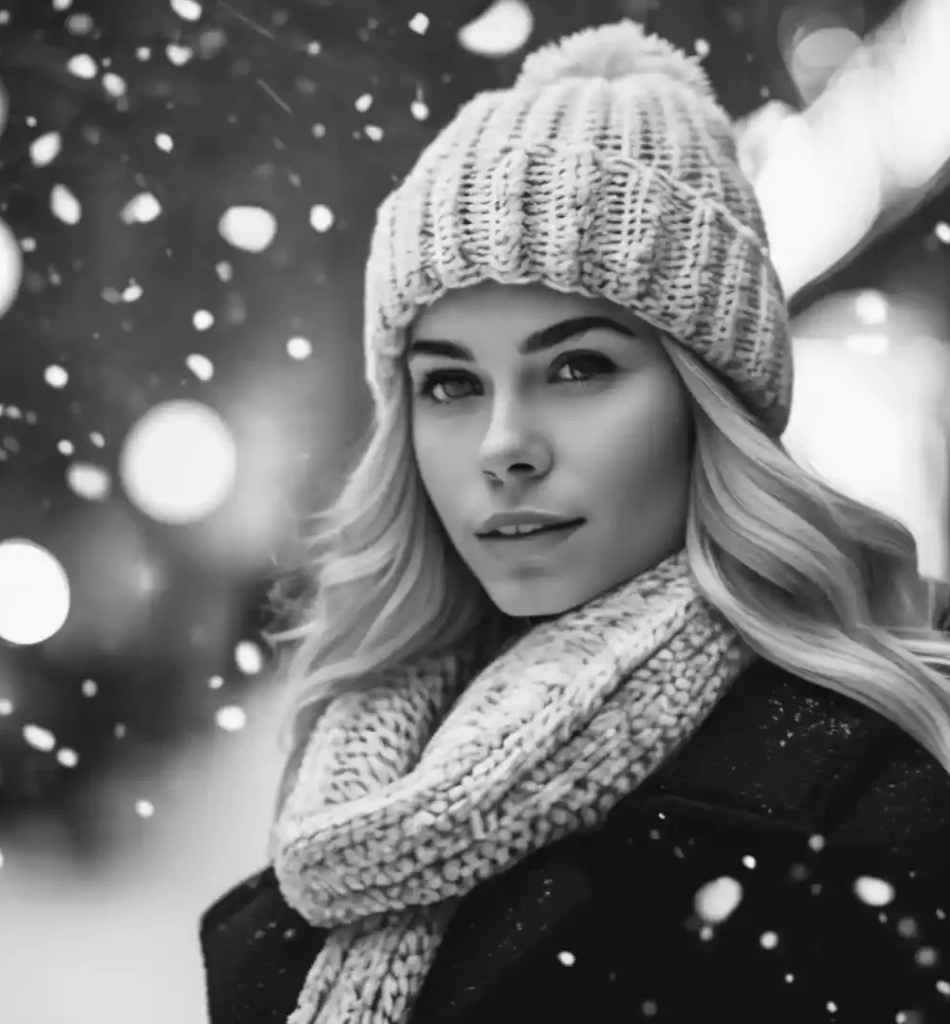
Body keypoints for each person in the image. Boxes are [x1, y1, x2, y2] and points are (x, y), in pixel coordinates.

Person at [200, 20, 950, 1024]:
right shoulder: (353, 811)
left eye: (577, 366)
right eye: (451, 383)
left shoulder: (871, 805)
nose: (502, 444)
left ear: (705, 399)